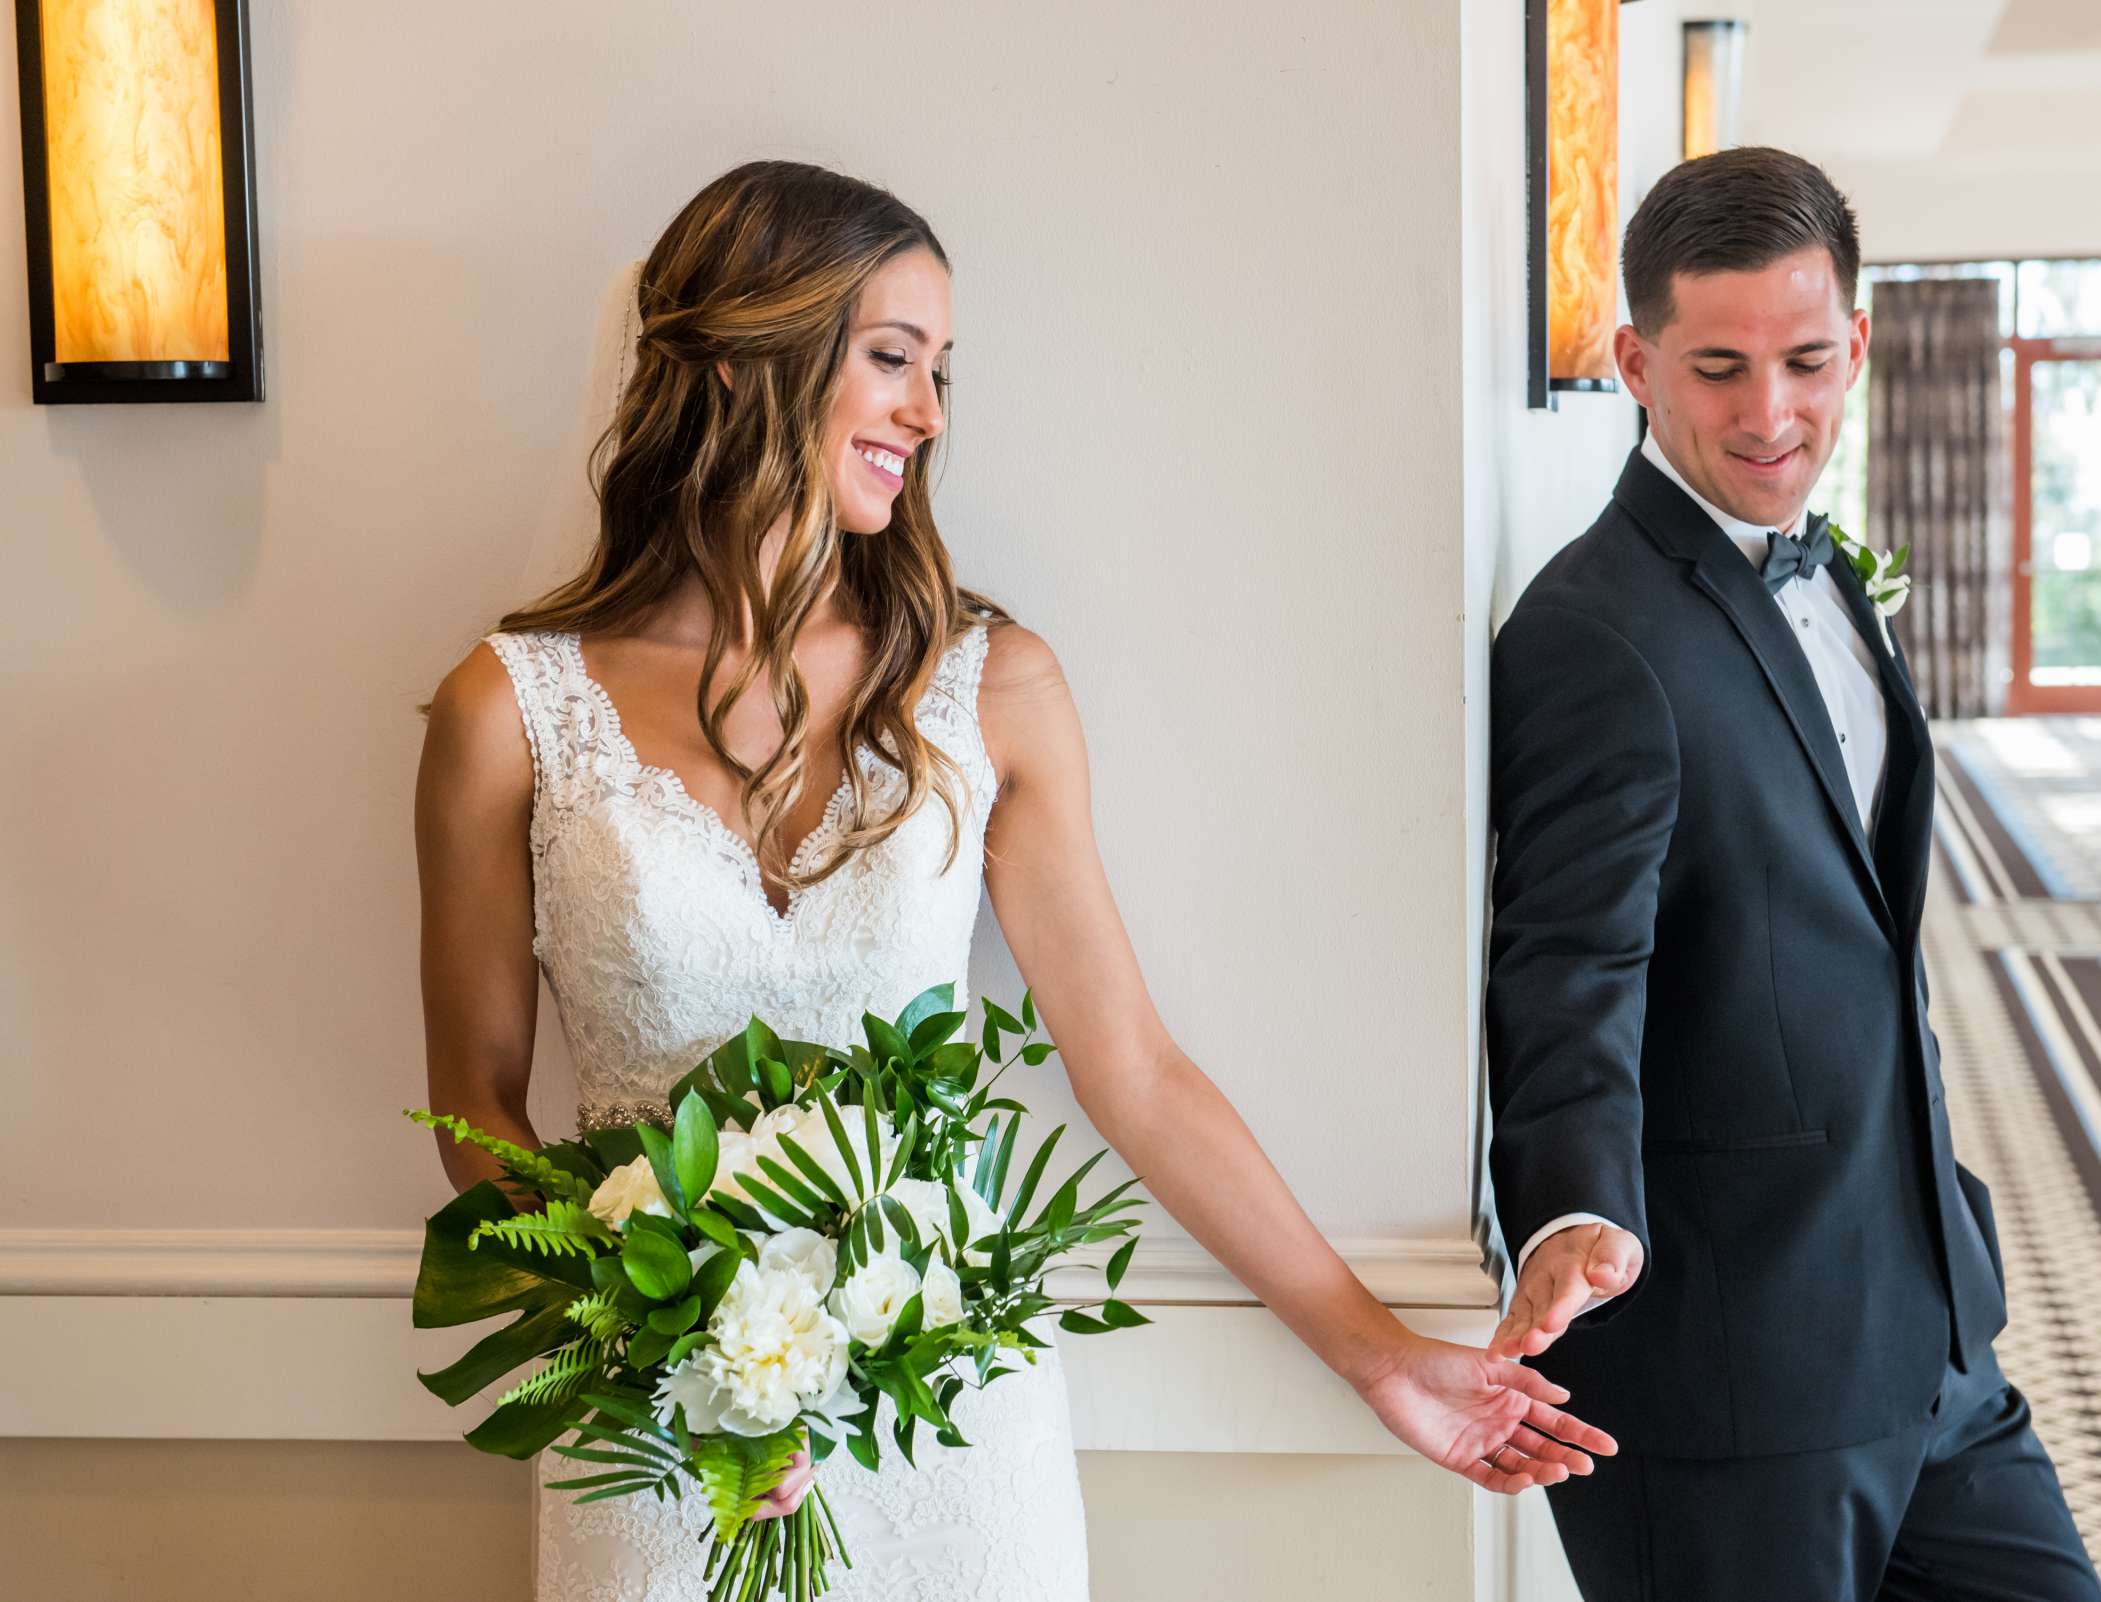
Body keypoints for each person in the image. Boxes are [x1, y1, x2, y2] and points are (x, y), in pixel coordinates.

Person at [416, 160, 1610, 1602]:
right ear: (741, 364)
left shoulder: (990, 686)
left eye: (939, 370)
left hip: (953, 1429)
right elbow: (477, 1099)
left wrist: (1377, 1354)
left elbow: (1139, 1071)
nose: (927, 411)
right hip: (660, 1428)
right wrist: (650, 1329)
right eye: (890, 359)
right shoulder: (510, 710)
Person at [1483, 147, 2101, 1601]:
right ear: (1637, 362)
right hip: (1730, 1373)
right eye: (1717, 368)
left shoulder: (1821, 573)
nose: (1772, 416)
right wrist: (1573, 1208)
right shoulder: (1594, 633)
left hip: (1928, 1331)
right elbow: (1571, 960)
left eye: (1807, 361)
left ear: (1859, 346)